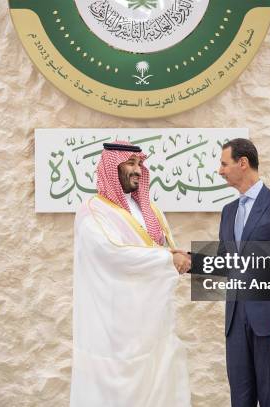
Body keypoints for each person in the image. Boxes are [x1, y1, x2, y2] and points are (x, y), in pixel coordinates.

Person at [70, 141, 191, 407]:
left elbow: (161, 246)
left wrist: (175, 257)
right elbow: (111, 253)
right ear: (112, 168)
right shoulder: (93, 211)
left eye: (140, 164)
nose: (138, 170)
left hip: (152, 321)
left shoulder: (149, 209)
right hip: (113, 327)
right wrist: (167, 259)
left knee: (158, 384)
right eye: (131, 164)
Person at [217, 138, 270, 407]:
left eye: (223, 163)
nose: (220, 170)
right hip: (235, 320)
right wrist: (188, 261)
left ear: (243, 163)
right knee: (239, 400)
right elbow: (224, 262)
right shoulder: (228, 212)